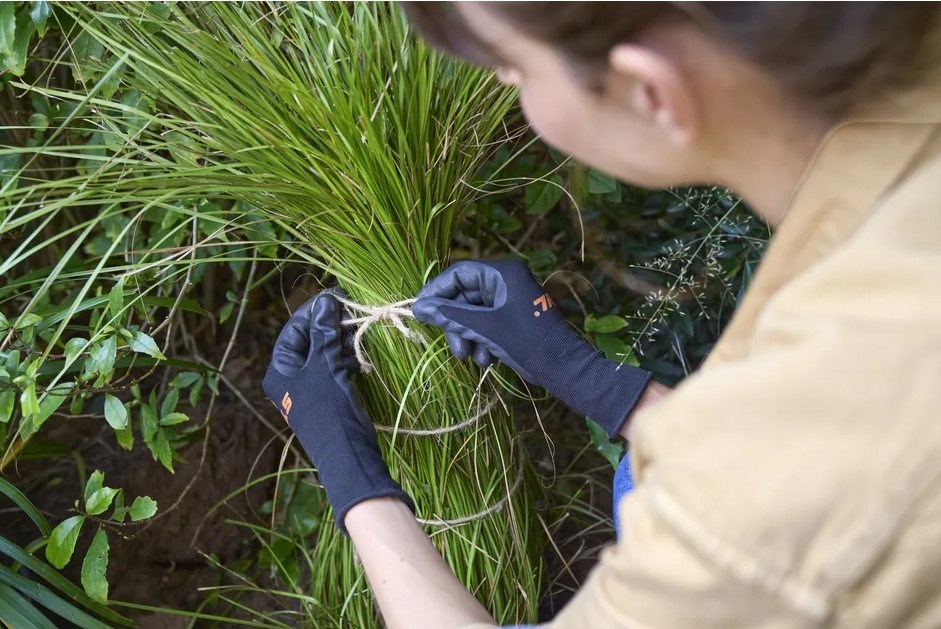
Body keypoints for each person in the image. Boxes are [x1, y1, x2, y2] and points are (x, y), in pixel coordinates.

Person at [262, 2, 941, 627]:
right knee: (637, 472)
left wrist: (352, 477)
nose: (504, 84)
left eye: (515, 66)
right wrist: (598, 383)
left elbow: (761, 489)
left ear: (650, 91)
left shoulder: (743, 490)